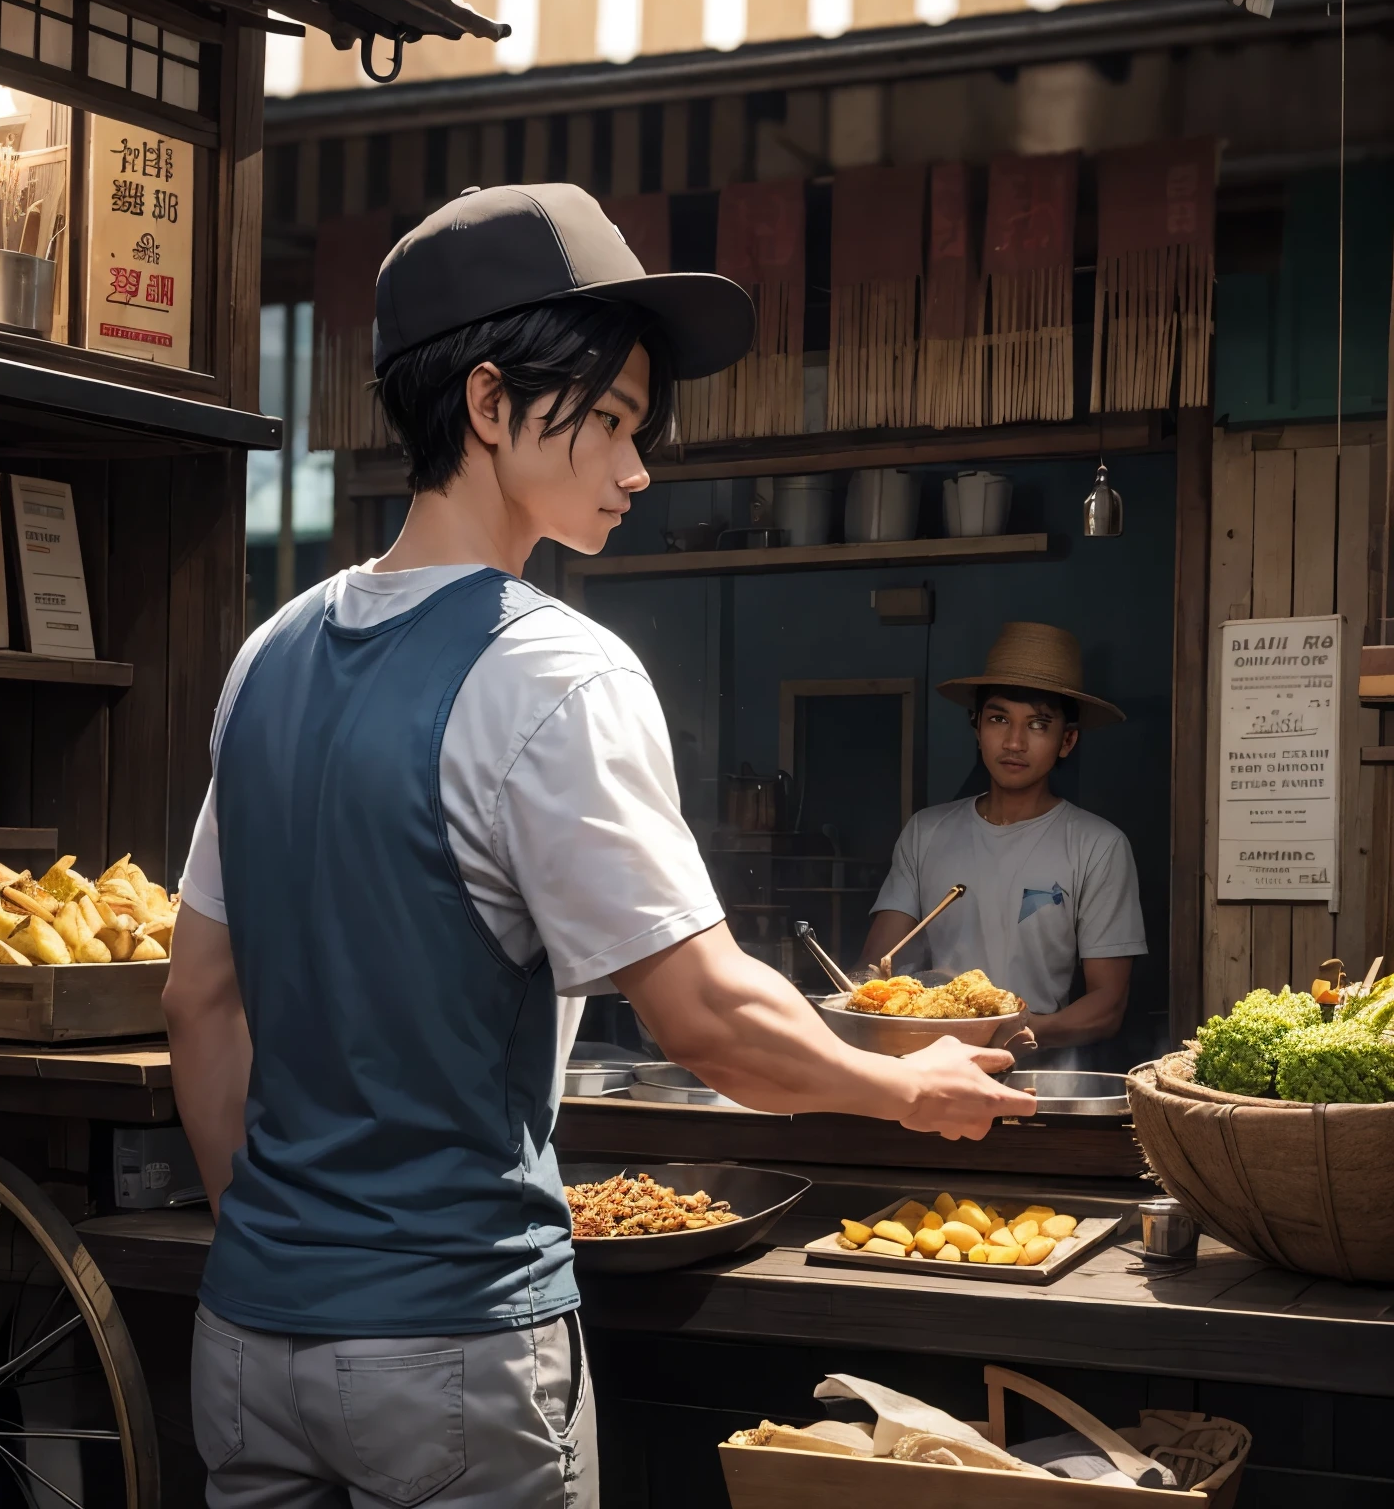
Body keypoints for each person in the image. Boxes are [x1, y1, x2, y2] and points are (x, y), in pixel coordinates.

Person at [162, 182, 1035, 1509]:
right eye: (613, 421)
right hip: (451, 1349)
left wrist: (270, 1242)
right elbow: (707, 1020)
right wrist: (908, 1086)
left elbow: (199, 996)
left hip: (248, 1343)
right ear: (491, 403)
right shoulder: (553, 670)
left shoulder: (268, 657)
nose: (637, 468)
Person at [861, 621, 1147, 1052]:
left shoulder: (1098, 846)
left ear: (1066, 740)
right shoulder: (926, 832)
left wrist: (1016, 1030)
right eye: (998, 719)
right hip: (926, 1064)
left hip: (1038, 1074)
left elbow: (1108, 1005)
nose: (1013, 742)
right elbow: (877, 971)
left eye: (1037, 725)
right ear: (977, 727)